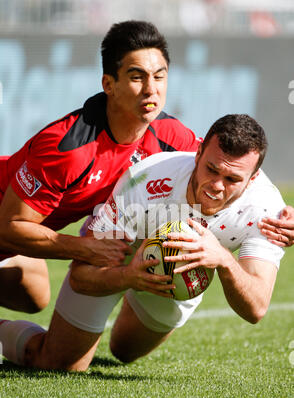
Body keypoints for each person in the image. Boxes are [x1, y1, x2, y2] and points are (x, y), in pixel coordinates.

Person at [0, 114, 287, 371]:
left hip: (179, 278)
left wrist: (223, 259)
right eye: (211, 169)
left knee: (123, 352)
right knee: (58, 363)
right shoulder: (145, 180)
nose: (217, 185)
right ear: (197, 154)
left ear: (252, 180)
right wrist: (128, 276)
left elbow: (256, 308)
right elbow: (80, 278)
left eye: (232, 178)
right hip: (121, 254)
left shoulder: (267, 210)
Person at [0, 20, 200, 314]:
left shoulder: (169, 133)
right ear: (109, 84)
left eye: (159, 77)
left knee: (35, 296)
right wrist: (82, 247)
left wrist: (277, 214)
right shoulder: (68, 148)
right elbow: (8, 228)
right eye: (137, 77)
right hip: (7, 227)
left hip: (11, 239)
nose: (151, 89)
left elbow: (223, 161)